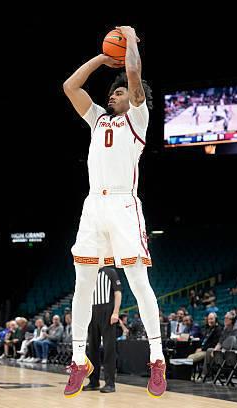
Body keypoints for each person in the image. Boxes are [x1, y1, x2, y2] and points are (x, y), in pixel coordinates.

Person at [63, 25, 165, 398]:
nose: (112, 95)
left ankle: (157, 357)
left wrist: (131, 39)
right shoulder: (98, 119)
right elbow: (70, 87)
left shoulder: (137, 119)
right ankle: (78, 360)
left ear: (134, 99)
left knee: (138, 281)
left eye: (118, 92)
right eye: (111, 92)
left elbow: (134, 74)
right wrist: (101, 59)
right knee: (82, 285)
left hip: (123, 204)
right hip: (94, 205)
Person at [84, 267, 122, 393]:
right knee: (92, 349)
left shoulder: (110, 272)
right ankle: (93, 382)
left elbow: (118, 293)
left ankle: (110, 383)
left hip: (107, 312)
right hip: (92, 313)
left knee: (109, 349)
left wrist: (115, 312)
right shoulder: (89, 274)